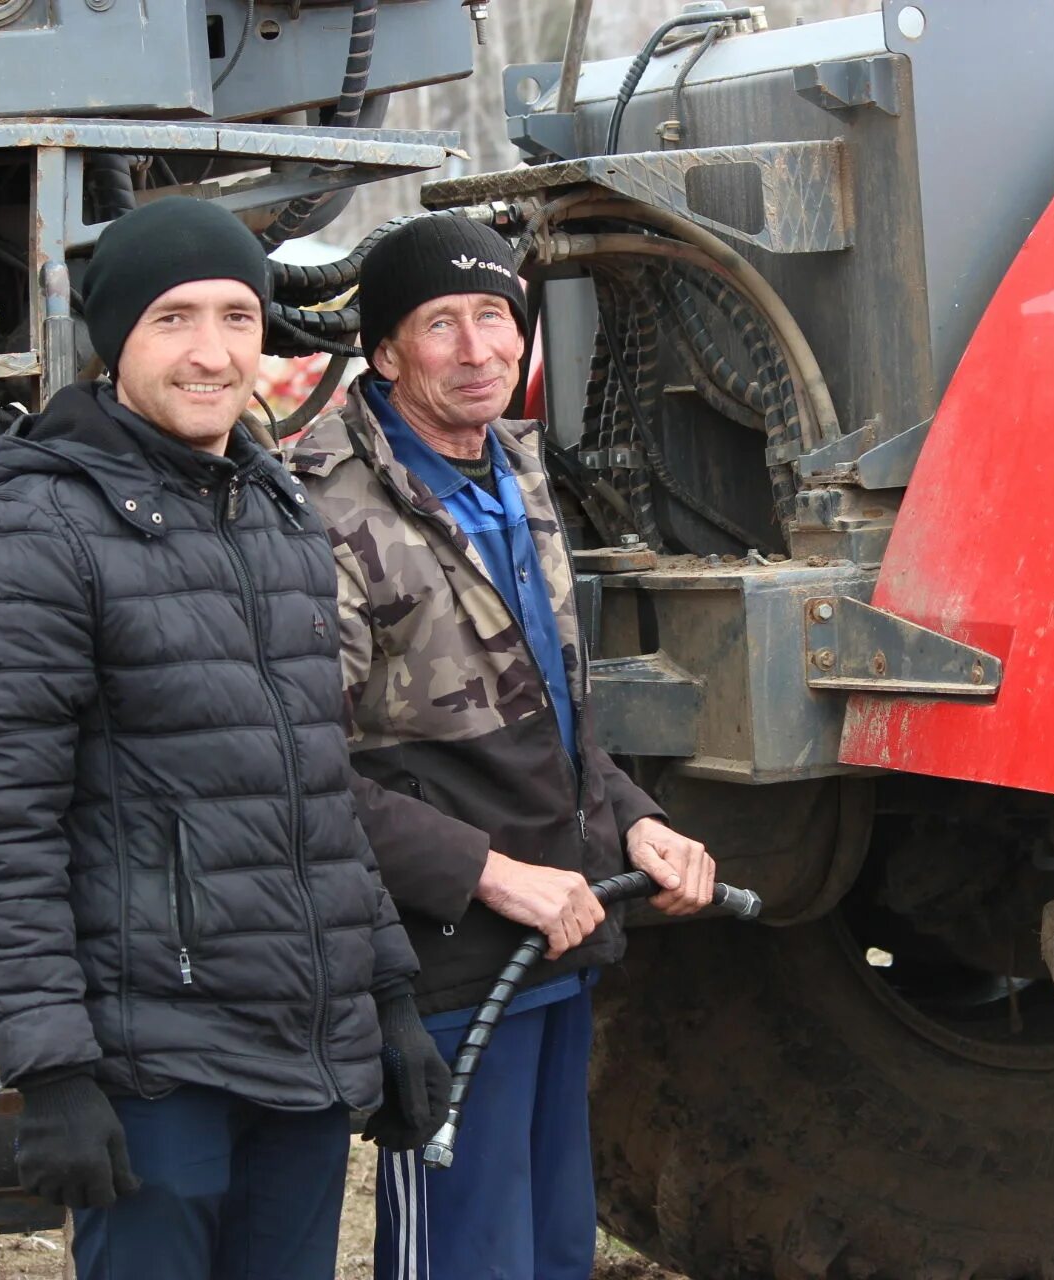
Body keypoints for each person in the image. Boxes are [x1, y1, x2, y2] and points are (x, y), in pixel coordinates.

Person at [0, 197, 449, 1280]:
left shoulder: (274, 509)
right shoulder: (35, 528)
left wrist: (389, 995)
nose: (212, 353)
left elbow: (318, 789)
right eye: (173, 318)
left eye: (237, 316)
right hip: (150, 1057)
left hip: (300, 1045)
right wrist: (55, 1071)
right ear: (114, 340)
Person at [288, 214, 718, 1280]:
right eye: (443, 323)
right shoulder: (322, 508)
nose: (480, 348)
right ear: (384, 351)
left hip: (554, 938)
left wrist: (638, 820)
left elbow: (548, 715)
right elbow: (293, 772)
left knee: (553, 1246)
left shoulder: (511, 473)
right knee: (467, 1252)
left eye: (497, 316)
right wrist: (489, 874)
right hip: (437, 954)